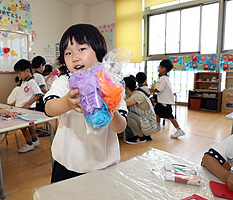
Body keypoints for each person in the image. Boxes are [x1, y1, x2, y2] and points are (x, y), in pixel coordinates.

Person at [44, 24, 127, 183]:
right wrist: (67, 103)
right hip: (66, 164)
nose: (75, 57)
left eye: (82, 49)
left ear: (98, 51)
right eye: (68, 53)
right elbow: (49, 108)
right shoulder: (64, 82)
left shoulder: (112, 84)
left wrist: (111, 109)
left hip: (103, 166)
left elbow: (120, 127)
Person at [150, 59, 185, 139]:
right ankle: (158, 126)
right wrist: (154, 84)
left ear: (163, 68)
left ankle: (179, 130)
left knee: (170, 116)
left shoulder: (163, 79)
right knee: (156, 112)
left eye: (159, 67)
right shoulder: (162, 78)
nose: (158, 69)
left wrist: (152, 89)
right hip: (162, 101)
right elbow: (155, 85)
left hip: (164, 102)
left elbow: (158, 89)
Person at [13, 59, 42, 153]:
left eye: (20, 73)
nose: (19, 75)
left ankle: (29, 144)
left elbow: (38, 94)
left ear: (27, 71)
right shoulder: (24, 82)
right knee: (29, 126)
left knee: (23, 126)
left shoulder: (32, 82)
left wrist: (28, 104)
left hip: (27, 109)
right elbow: (23, 95)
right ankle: (34, 140)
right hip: (22, 108)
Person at [124, 75, 156, 144]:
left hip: (149, 124)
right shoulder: (133, 93)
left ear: (125, 87)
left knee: (127, 114)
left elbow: (124, 104)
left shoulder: (137, 95)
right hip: (146, 121)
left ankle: (141, 137)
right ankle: (144, 135)